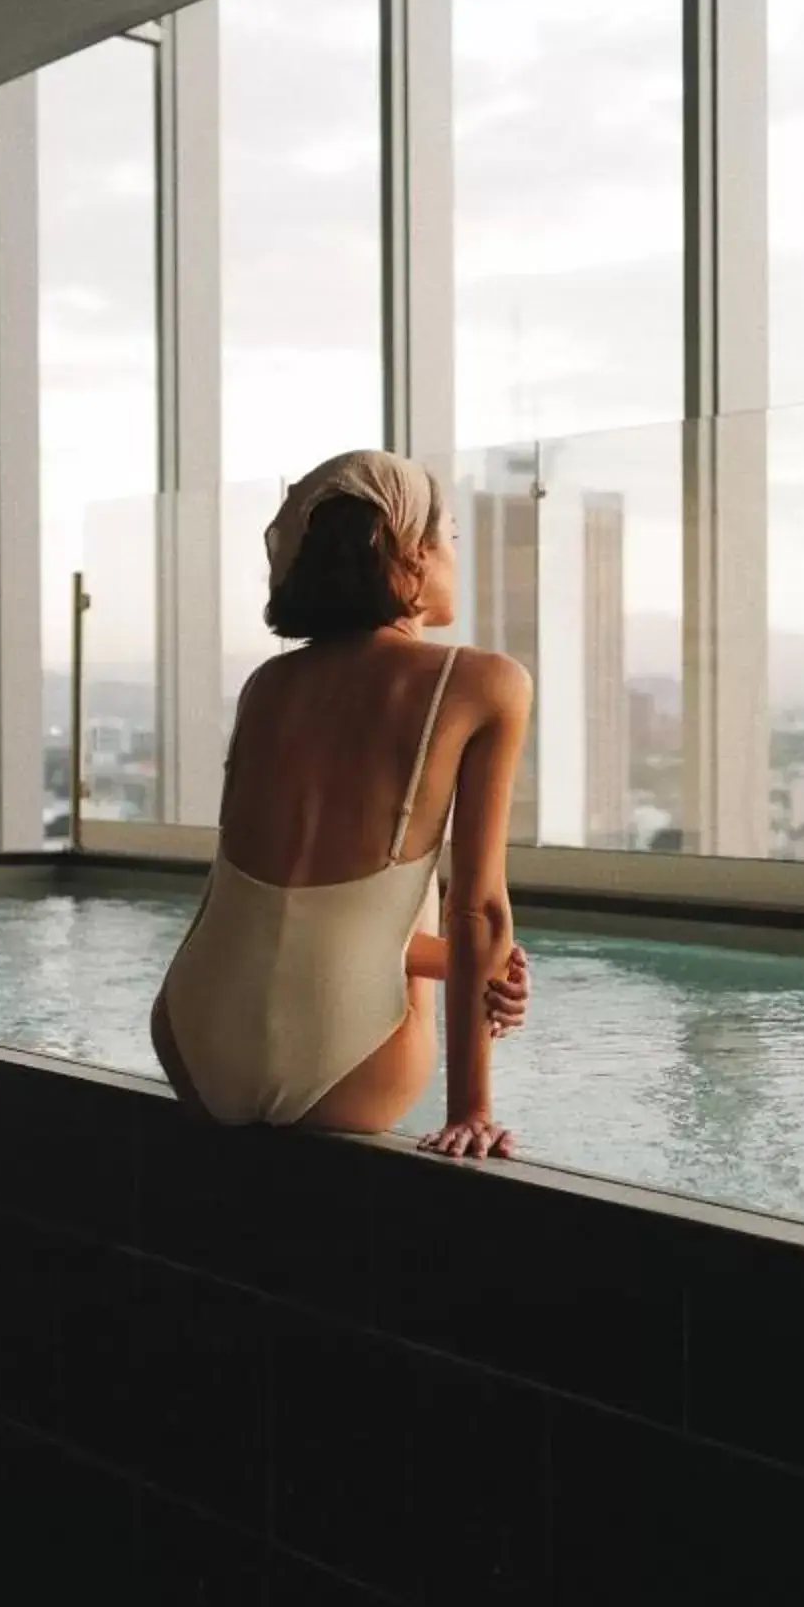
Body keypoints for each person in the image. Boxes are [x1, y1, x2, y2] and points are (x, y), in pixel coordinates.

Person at [150, 450, 533, 1159]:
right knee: (428, 879)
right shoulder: (483, 681)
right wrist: (471, 1108)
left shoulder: (268, 685)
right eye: (448, 535)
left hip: (195, 1044)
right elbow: (479, 908)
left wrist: (466, 966)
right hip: (354, 1066)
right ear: (410, 549)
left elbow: (294, 911)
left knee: (391, 885)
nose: (455, 552)